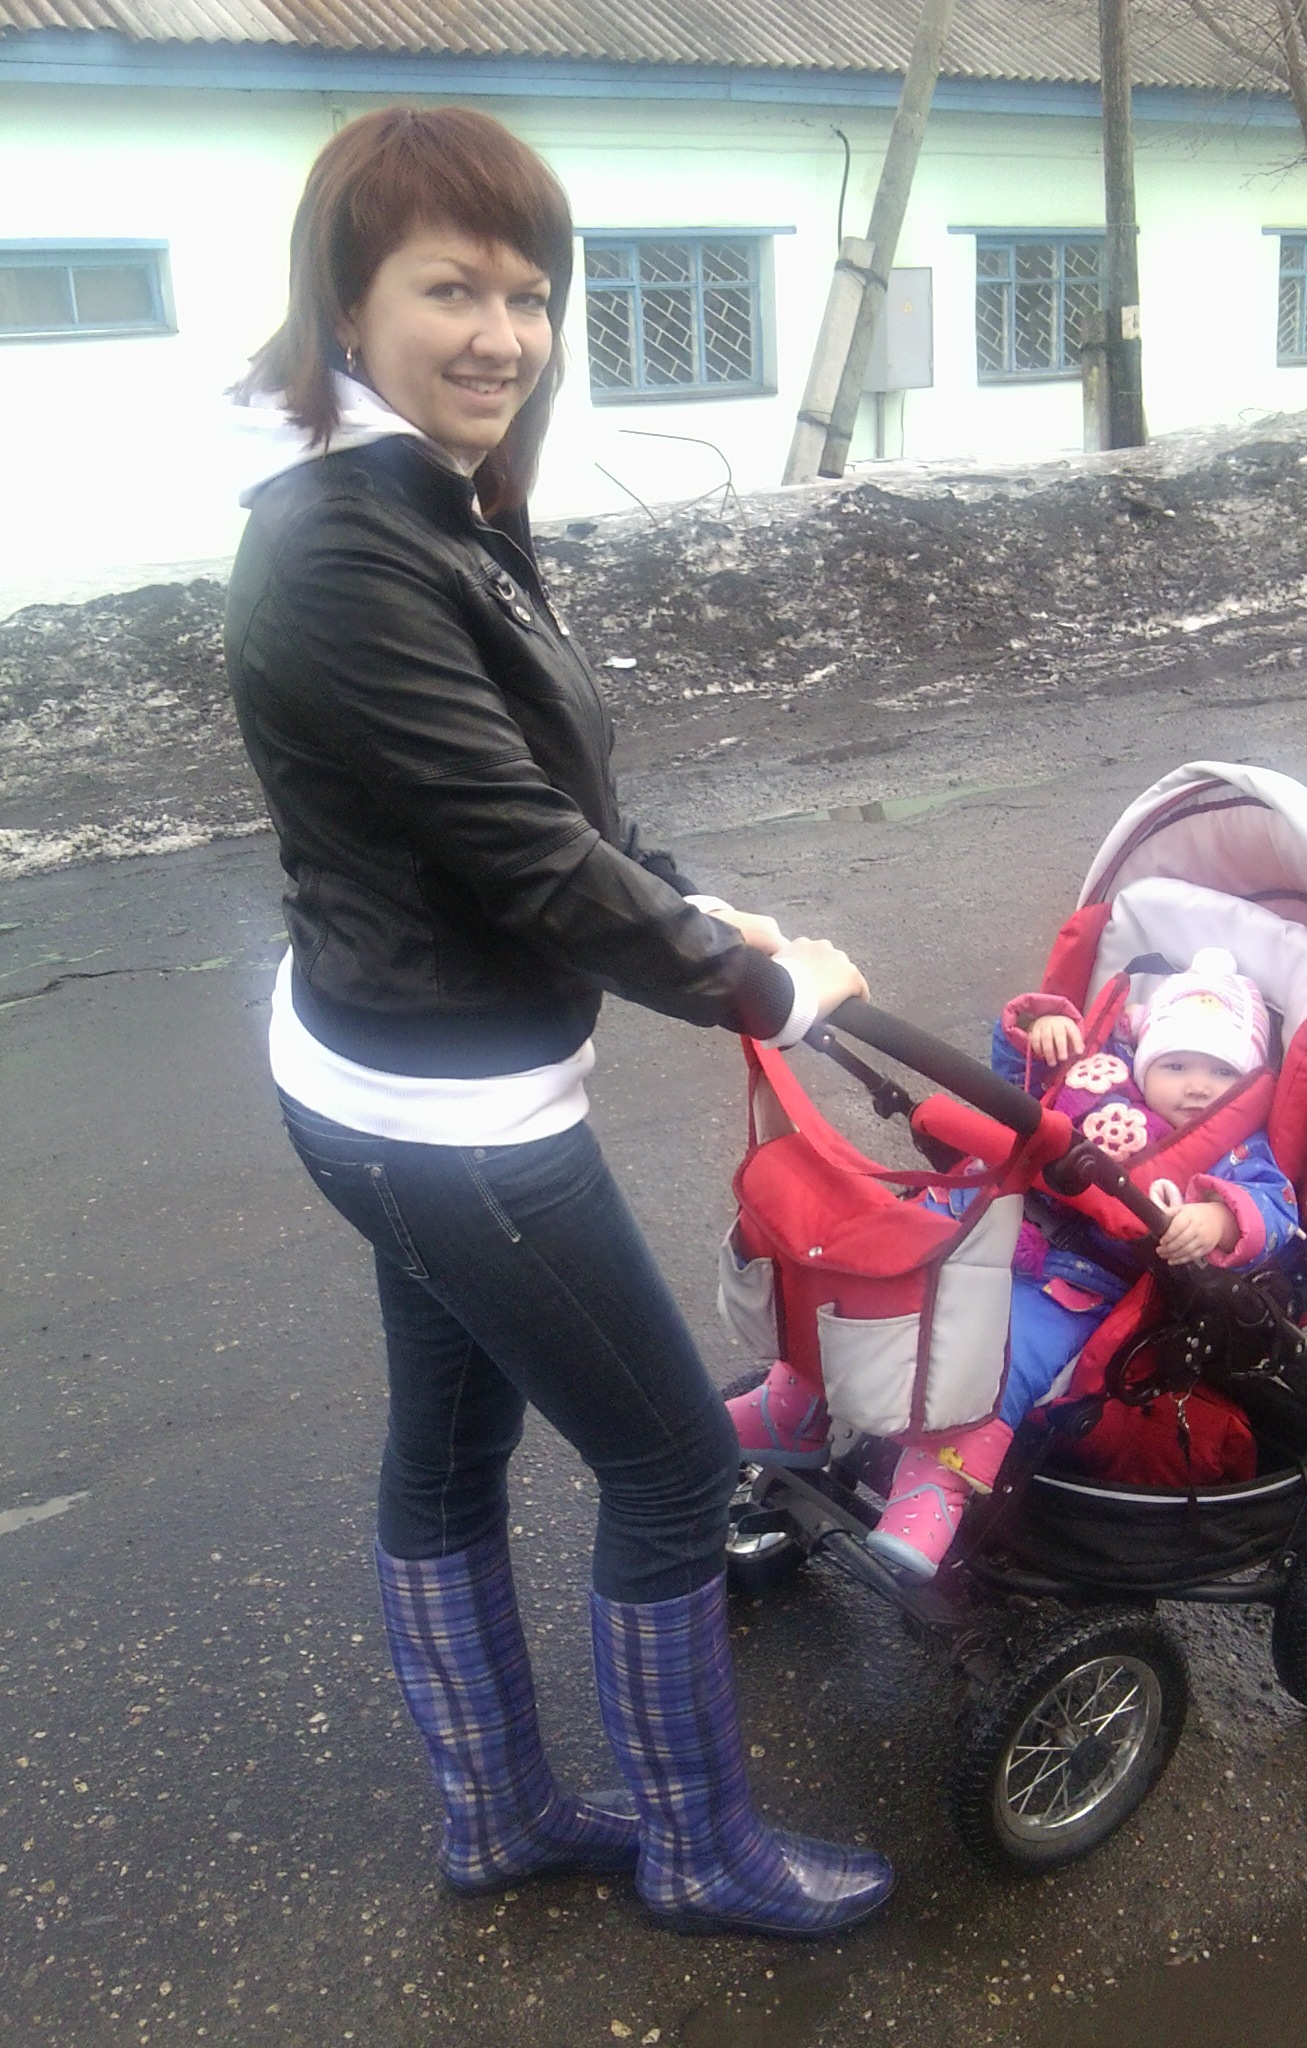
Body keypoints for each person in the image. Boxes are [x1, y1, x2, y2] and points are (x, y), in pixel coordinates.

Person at [224, 105, 893, 1937]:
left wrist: (694, 904)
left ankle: (499, 1814)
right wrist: (759, 985)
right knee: (676, 1464)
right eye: (451, 289)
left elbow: (543, 793)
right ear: (346, 304)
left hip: (389, 1073)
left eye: (528, 295)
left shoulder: (435, 502)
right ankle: (698, 1845)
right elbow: (523, 852)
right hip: (451, 1118)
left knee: (451, 1447)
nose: (501, 334)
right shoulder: (347, 550)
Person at [728, 949, 1306, 1579]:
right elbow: (1014, 1085)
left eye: (1221, 1071)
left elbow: (1275, 1205)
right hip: (980, 1219)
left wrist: (1220, 1220)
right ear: (1143, 1058)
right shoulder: (1098, 1079)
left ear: (1248, 1081)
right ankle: (794, 1406)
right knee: (864, 1278)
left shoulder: (1236, 1150)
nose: (1197, 1085)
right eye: (1176, 1064)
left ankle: (936, 1485)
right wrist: (1038, 1031)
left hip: (1075, 1286)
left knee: (1001, 1359)